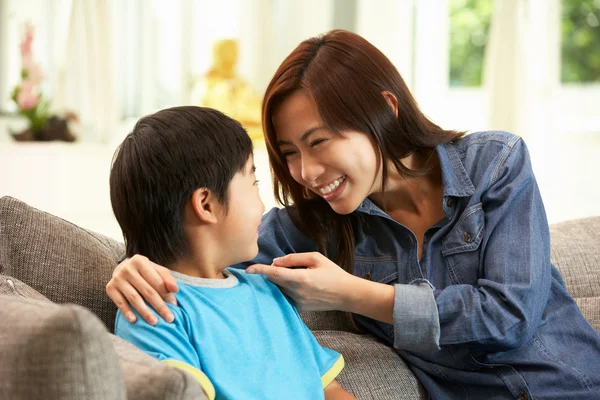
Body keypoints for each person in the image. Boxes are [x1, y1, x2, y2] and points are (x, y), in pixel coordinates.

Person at [106, 30, 600, 399]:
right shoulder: (311, 226)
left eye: (318, 142)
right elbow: (200, 249)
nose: (305, 172)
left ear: (383, 110)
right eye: (289, 152)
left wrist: (354, 294)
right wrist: (133, 264)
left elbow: (508, 316)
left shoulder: (495, 163)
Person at [109, 106, 353, 400]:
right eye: (253, 183)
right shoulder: (154, 310)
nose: (263, 207)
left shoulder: (268, 291)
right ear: (206, 205)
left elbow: (329, 389)